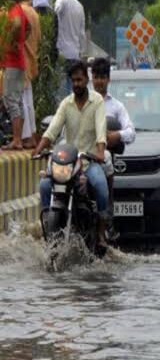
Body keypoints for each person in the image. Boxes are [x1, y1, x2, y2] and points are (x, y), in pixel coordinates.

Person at [32, 61, 109, 253]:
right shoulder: (66, 104)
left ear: (86, 80)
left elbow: (101, 130)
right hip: (68, 164)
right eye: (73, 80)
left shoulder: (97, 101)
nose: (76, 84)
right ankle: (47, 233)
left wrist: (100, 151)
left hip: (89, 161)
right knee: (44, 185)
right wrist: (38, 149)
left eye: (80, 79)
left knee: (101, 187)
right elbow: (52, 130)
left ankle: (100, 234)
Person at [91, 57, 135, 239]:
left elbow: (131, 132)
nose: (99, 81)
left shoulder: (116, 107)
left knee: (107, 158)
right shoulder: (80, 101)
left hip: (101, 156)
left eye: (103, 77)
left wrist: (116, 136)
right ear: (91, 78)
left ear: (108, 79)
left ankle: (107, 210)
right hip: (80, 154)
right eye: (96, 77)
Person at [0, 0, 30, 151]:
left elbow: (18, 24)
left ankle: (17, 139)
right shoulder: (19, 8)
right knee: (16, 100)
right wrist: (20, 41)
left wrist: (10, 41)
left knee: (10, 99)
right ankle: (19, 138)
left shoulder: (13, 10)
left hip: (12, 62)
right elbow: (29, 28)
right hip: (18, 62)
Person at [16, 0, 41, 149]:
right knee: (28, 100)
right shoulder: (33, 12)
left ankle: (25, 137)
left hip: (20, 60)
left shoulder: (19, 11)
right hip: (32, 59)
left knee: (21, 100)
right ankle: (31, 135)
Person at [54, 0, 86, 96]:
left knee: (61, 93)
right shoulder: (80, 6)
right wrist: (81, 53)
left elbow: (55, 13)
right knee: (74, 91)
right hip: (75, 55)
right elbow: (82, 33)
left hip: (62, 53)